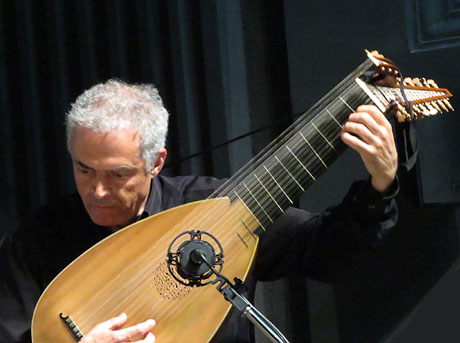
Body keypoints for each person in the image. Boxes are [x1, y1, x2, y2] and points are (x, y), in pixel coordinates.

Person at [0, 79, 398, 343]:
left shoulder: (213, 211)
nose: (98, 190)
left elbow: (326, 250)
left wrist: (380, 185)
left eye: (119, 174)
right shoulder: (36, 240)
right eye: (83, 169)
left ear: (156, 162)